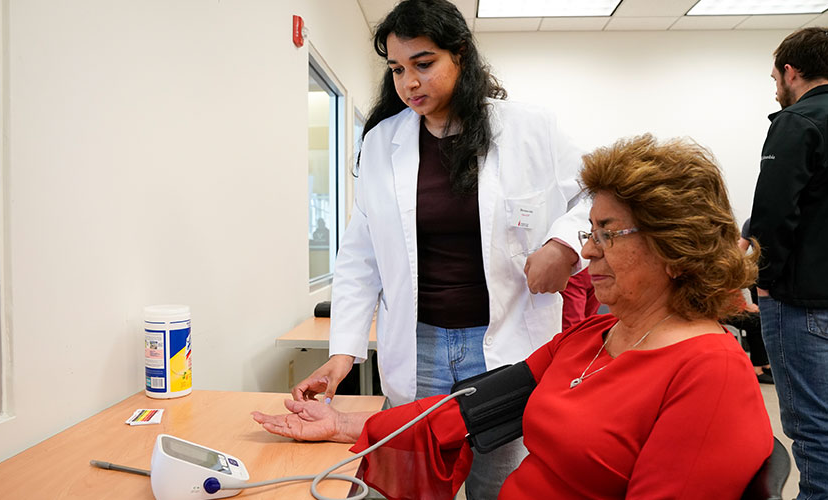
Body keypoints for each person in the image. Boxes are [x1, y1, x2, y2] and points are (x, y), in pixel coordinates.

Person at [255, 134, 774, 500]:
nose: (586, 251)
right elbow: (467, 410)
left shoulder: (710, 372)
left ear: (676, 247)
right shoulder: (596, 335)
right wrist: (341, 422)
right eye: (589, 231)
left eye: (606, 233)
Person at [292, 1, 588, 497]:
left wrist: (564, 243)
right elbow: (360, 259)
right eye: (397, 69)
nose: (409, 82)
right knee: (413, 482)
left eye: (423, 64)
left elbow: (598, 193)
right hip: (419, 345)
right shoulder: (382, 143)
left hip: (505, 345)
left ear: (462, 57)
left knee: (498, 483)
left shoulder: (529, 129)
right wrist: (343, 354)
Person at [749, 26, 828, 499]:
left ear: (791, 71)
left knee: (819, 432)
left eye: (775, 76)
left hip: (805, 306)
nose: (776, 86)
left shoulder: (798, 121)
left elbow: (772, 213)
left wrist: (762, 281)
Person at [725, 218, 772, 383]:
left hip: (735, 306)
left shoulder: (731, 260)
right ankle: (757, 368)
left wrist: (748, 305)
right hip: (722, 309)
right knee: (755, 322)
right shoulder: (720, 262)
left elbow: (741, 285)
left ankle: (764, 364)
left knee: (759, 319)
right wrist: (744, 307)